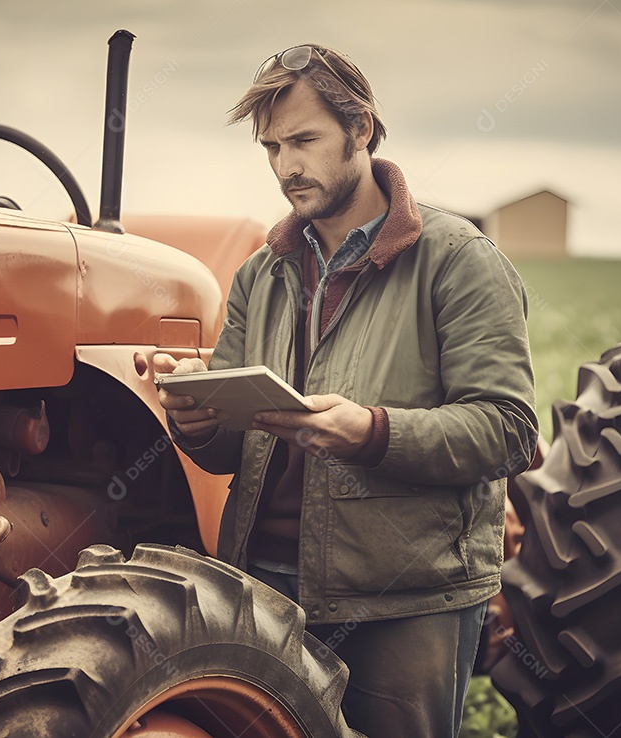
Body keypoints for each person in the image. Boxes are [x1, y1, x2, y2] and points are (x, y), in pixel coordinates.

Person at [155, 43, 538, 738]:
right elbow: (232, 453)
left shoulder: (458, 261)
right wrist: (196, 420)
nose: (286, 167)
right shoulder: (259, 275)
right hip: (262, 583)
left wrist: (371, 432)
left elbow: (508, 429)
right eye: (271, 147)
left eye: (304, 140)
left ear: (361, 129)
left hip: (404, 592)